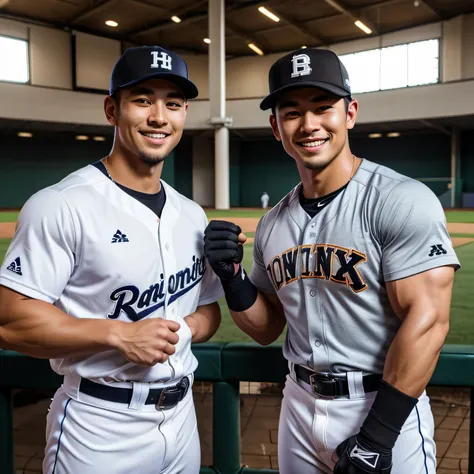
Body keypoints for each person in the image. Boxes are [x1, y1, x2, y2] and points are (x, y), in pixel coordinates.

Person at [203, 47, 460, 474]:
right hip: (298, 406)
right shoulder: (272, 224)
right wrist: (233, 279)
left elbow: (428, 320)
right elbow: (267, 328)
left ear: (350, 113)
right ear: (275, 126)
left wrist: (378, 436)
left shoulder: (399, 199)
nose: (308, 125)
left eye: (323, 108)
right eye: (292, 112)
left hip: (383, 406)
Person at [0, 45, 224, 474]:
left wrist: (186, 328)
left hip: (181, 422)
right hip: (99, 426)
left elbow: (208, 309)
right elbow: (10, 321)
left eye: (173, 104)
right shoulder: (61, 205)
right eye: (143, 100)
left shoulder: (191, 214)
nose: (159, 116)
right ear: (112, 110)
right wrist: (119, 335)